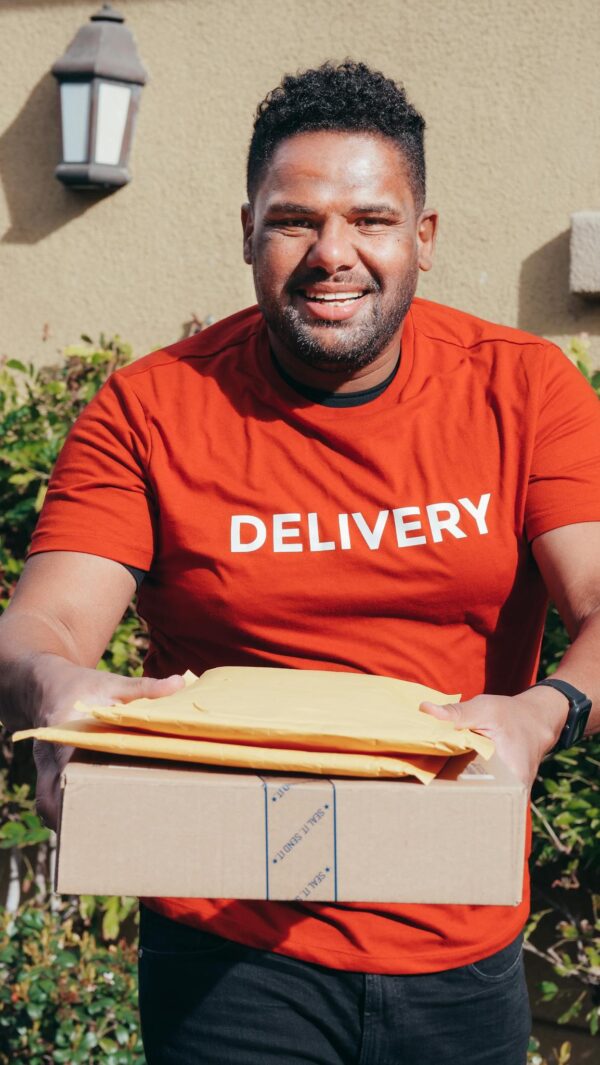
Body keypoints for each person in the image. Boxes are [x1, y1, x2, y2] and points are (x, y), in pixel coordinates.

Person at [1, 60, 599, 1065]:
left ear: (424, 237)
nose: (334, 254)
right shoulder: (152, 407)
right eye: (294, 220)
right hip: (226, 952)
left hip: (456, 932)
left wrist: (547, 711)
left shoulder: (525, 390)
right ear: (246, 231)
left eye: (371, 218)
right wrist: (58, 686)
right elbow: (43, 623)